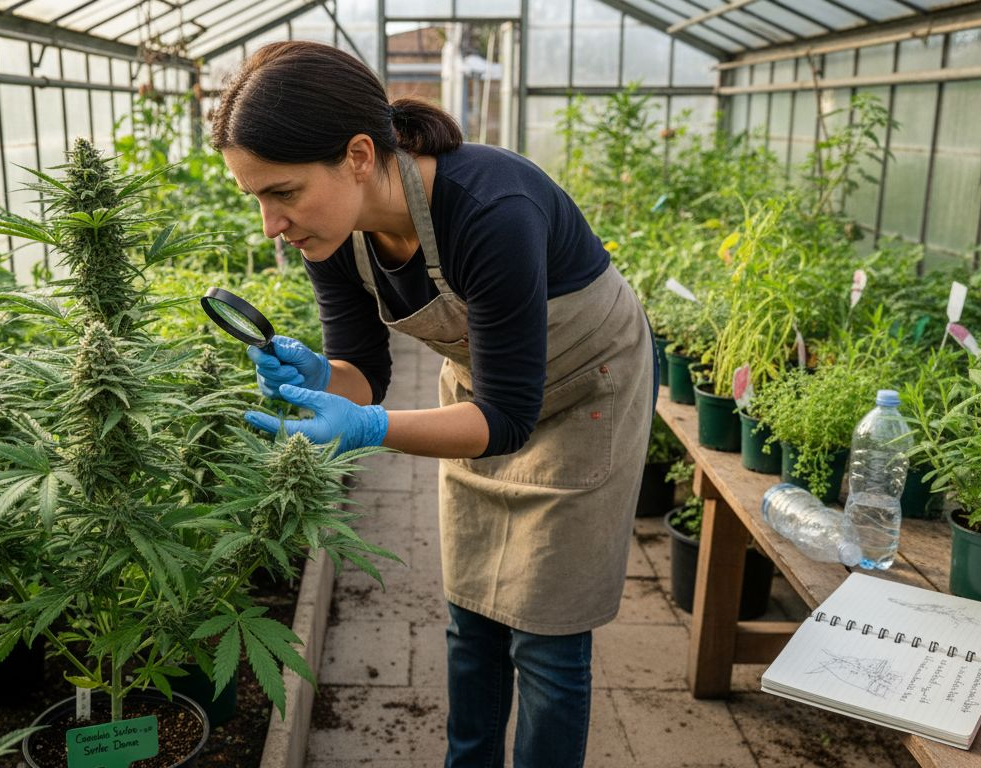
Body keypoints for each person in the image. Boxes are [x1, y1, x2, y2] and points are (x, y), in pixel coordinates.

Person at [211, 40, 658, 768]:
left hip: (587, 396)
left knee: (547, 638)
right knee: (471, 618)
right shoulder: (334, 235)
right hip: (482, 395)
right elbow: (367, 374)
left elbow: (507, 420)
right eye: (255, 197)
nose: (271, 224)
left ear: (358, 154)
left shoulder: (490, 208)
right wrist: (325, 380)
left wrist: (367, 429)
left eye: (282, 192)